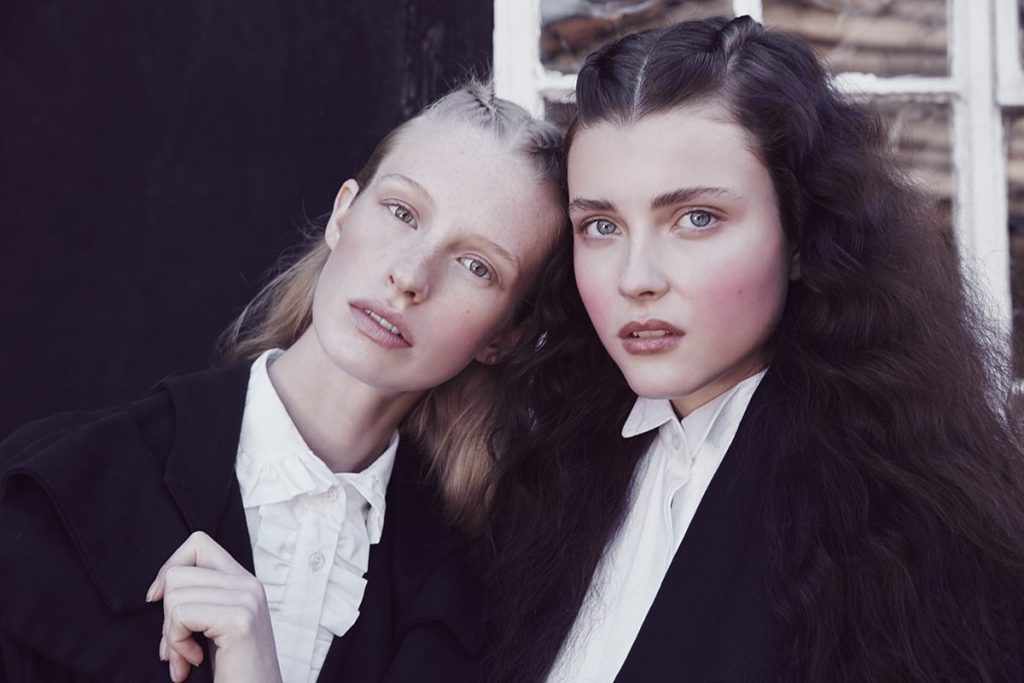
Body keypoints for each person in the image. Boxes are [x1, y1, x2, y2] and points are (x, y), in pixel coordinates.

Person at [484, 16, 1024, 683]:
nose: (636, 278)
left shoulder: (906, 524)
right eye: (601, 225)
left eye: (696, 218)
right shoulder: (553, 481)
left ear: (800, 235)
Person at [0, 80, 565, 683]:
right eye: (402, 212)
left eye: (476, 266)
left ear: (507, 336)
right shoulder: (62, 487)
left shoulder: (476, 608)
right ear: (343, 214)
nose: (409, 276)